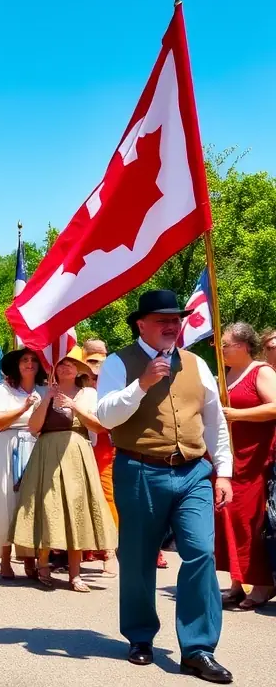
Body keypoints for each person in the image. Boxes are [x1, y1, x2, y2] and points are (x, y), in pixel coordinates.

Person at [97, 290, 233, 683]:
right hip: (140, 469)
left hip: (193, 472)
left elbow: (214, 420)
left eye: (176, 319)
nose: (172, 325)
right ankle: (140, 636)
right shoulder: (118, 362)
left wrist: (222, 470)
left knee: (201, 553)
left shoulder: (196, 363)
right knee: (139, 559)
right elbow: (105, 416)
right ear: (141, 324)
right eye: (163, 320)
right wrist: (140, 385)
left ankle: (198, 648)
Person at [10, 348, 117, 592]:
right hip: (47, 452)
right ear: (55, 369)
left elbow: (100, 427)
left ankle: (75, 574)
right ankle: (43, 563)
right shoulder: (44, 393)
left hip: (77, 452)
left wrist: (74, 406)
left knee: (77, 509)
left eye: (71, 364)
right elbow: (34, 428)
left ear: (79, 369)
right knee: (48, 506)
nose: (66, 367)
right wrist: (48, 399)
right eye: (62, 364)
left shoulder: (88, 393)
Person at [215, 322, 276, 610]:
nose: (220, 348)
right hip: (230, 458)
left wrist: (237, 414)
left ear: (242, 345)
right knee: (228, 517)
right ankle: (238, 582)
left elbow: (275, 406)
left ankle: (263, 584)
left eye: (224, 343)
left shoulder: (261, 372)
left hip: (254, 460)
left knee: (249, 520)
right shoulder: (226, 374)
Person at [0, 347, 46, 579]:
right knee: (5, 501)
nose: (29, 364)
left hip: (35, 446)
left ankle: (30, 559)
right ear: (17, 365)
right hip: (8, 445)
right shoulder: (4, 389)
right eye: (24, 360)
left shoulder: (45, 389)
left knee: (29, 502)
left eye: (33, 360)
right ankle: (4, 559)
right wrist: (24, 407)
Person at [81, 339, 120, 576]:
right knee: (82, 497)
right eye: (90, 373)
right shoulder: (79, 388)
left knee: (108, 498)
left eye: (97, 373)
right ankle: (85, 548)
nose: (93, 378)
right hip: (81, 447)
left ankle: (109, 551)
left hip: (106, 448)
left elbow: (108, 422)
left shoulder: (113, 385)